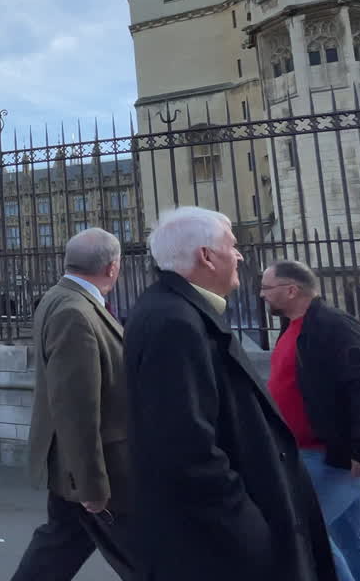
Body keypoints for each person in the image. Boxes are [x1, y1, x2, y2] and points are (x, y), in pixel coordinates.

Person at [123, 207, 337, 581]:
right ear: (206, 256)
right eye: (232, 246)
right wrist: (249, 527)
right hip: (218, 545)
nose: (239, 255)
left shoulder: (177, 311)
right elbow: (186, 447)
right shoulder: (175, 323)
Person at [12, 228, 135, 580]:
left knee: (59, 545)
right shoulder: (75, 312)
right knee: (143, 554)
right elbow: (76, 408)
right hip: (91, 468)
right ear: (113, 267)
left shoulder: (61, 296)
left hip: (75, 466)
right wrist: (91, 484)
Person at [261, 260, 360, 581]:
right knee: (353, 539)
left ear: (291, 290)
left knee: (307, 537)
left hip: (332, 456)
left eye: (267, 288)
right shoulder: (296, 327)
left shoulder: (334, 326)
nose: (262, 295)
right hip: (311, 453)